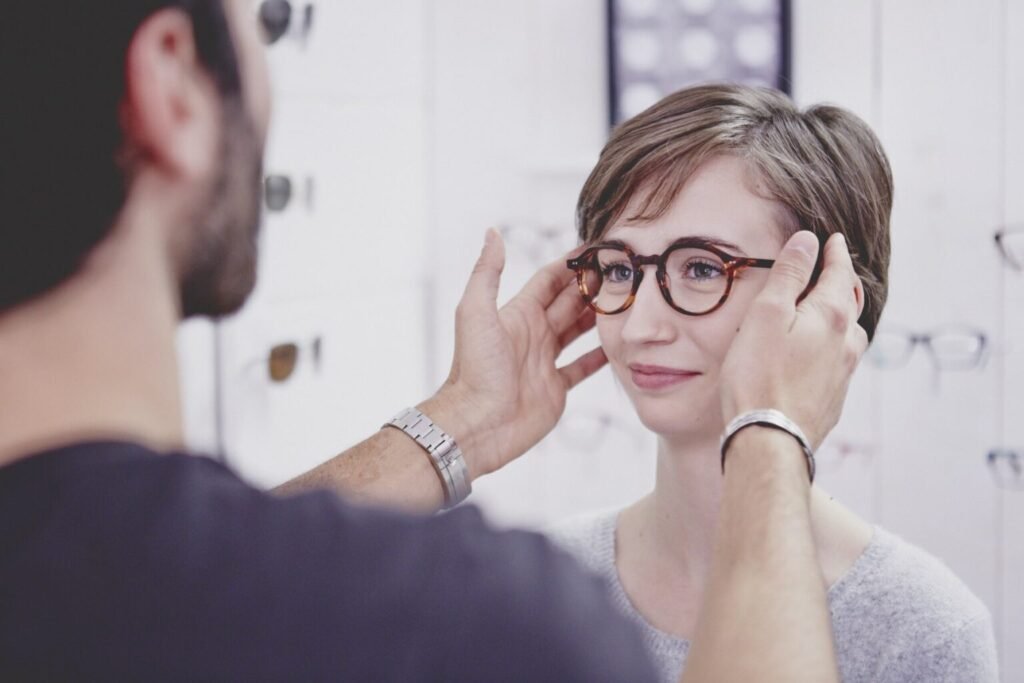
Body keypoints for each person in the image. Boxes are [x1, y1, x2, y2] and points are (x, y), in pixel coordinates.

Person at [0, 2, 864, 681]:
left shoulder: (84, 598)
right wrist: (770, 433)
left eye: (703, 268)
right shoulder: (496, 627)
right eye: (261, 18)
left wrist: (464, 418)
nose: (642, 320)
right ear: (172, 84)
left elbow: (167, 588)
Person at [547, 83, 1000, 682]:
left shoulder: (920, 631)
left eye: (702, 268)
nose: (640, 325)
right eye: (619, 269)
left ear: (827, 300)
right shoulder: (537, 591)